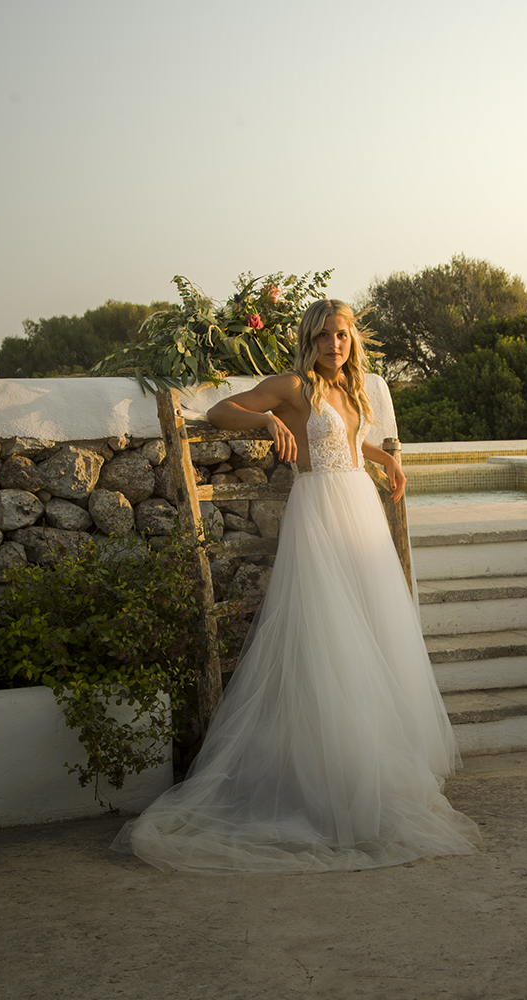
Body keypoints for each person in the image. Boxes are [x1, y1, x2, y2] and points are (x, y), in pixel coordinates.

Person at [110, 299, 481, 873]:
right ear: (310, 337)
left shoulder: (354, 391)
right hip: (321, 510)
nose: (337, 344)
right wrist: (267, 420)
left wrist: (387, 460)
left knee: (374, 633)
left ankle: (375, 765)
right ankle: (330, 777)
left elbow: (351, 446)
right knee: (330, 640)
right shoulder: (292, 385)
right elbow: (221, 411)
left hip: (361, 507)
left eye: (344, 335)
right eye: (328, 335)